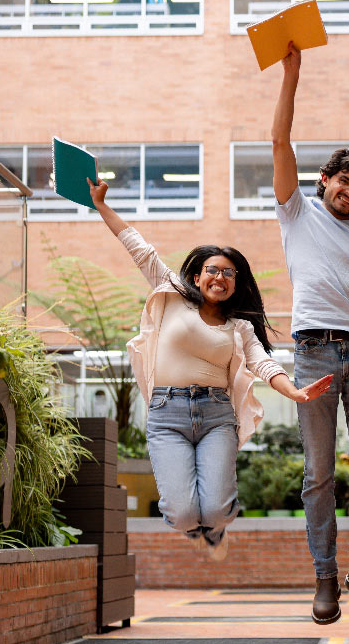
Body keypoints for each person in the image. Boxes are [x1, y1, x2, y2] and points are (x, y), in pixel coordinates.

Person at [88, 177, 332, 561]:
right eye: (212, 270)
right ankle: (197, 528)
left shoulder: (240, 328)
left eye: (229, 273)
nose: (220, 277)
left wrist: (295, 391)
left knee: (216, 509)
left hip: (217, 415)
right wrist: (102, 206)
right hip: (166, 415)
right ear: (197, 276)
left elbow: (264, 363)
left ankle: (216, 527)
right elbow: (139, 248)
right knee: (183, 514)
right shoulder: (170, 294)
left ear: (236, 284)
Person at [271, 43, 349, 624]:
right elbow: (279, 144)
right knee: (318, 473)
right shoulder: (297, 210)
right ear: (325, 180)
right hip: (313, 351)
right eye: (345, 182)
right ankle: (324, 577)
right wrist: (292, 75)